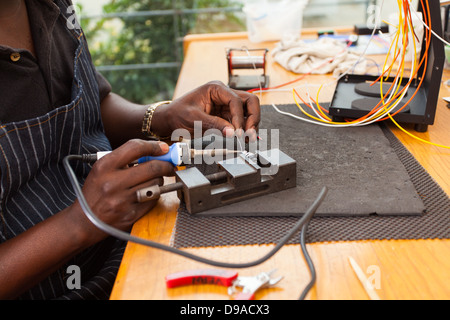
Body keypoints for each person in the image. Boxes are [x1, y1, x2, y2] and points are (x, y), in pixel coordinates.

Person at [0, 0, 260, 299]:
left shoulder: (53, 5)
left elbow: (89, 102)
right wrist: (82, 221)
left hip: (130, 242)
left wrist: (162, 117)